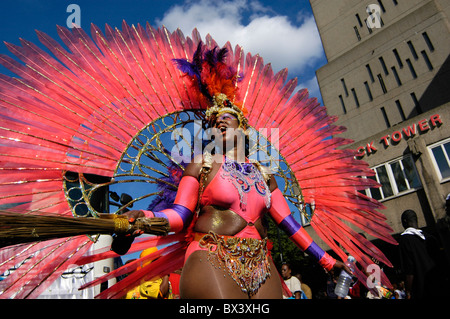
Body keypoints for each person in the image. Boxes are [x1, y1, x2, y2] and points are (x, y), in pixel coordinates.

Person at [112, 45, 350, 299]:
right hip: (210, 255)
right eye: (213, 122)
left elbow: (290, 225)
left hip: (261, 262)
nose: (219, 121)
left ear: (243, 126)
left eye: (226, 116)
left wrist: (327, 262)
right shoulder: (201, 165)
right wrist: (144, 218)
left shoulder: (264, 175)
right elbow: (180, 216)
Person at [398, 209, 436, 299]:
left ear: (404, 221)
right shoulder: (430, 238)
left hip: (421, 289)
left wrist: (408, 291)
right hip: (437, 285)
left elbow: (409, 269)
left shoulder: (405, 240)